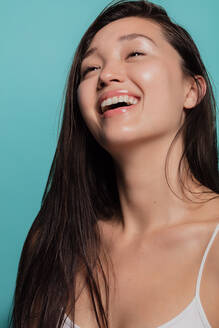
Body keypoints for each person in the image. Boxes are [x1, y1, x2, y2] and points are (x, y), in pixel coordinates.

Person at [11, 0, 219, 327]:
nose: (106, 75)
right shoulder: (52, 244)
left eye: (135, 53)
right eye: (90, 68)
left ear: (191, 90)